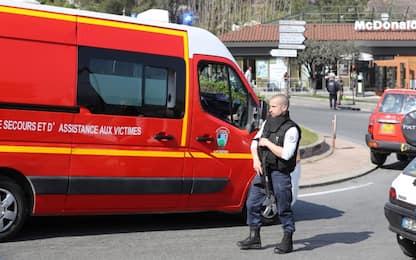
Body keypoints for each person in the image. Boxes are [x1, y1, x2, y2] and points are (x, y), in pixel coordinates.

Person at [237, 94, 301, 254]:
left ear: (284, 108)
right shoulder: (267, 123)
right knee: (252, 203)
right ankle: (254, 237)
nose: (270, 109)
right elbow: (254, 142)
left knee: (283, 207)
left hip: (280, 173)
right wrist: (255, 160)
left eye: (273, 106)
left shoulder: (291, 129)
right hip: (264, 170)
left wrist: (268, 143)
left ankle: (288, 239)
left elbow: (286, 154)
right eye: (270, 106)